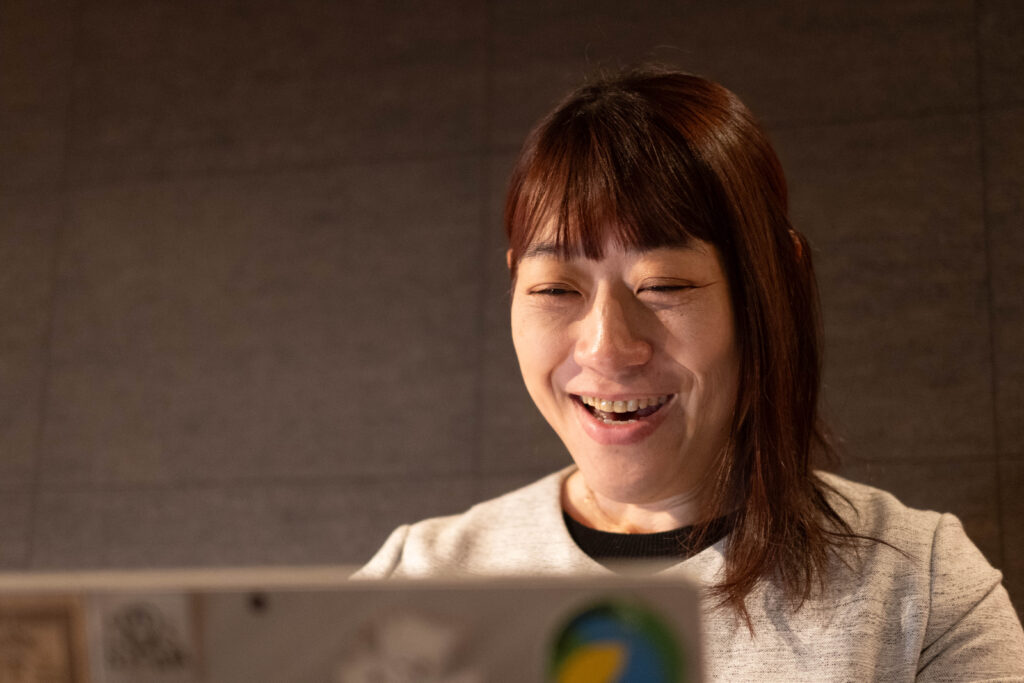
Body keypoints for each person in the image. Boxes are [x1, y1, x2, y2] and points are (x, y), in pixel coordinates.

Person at [354, 67, 1024, 679]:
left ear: (770, 288)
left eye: (664, 285)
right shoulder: (418, 581)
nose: (607, 347)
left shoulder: (919, 586)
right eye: (556, 289)